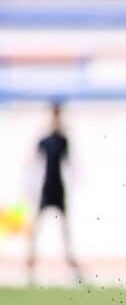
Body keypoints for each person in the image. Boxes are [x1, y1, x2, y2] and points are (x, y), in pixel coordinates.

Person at [27, 102, 82, 286]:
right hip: (46, 188)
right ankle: (30, 268)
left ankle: (73, 269)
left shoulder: (63, 140)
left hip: (59, 188)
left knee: (65, 232)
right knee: (36, 230)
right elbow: (33, 165)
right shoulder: (44, 140)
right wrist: (30, 189)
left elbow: (71, 163)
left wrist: (75, 181)